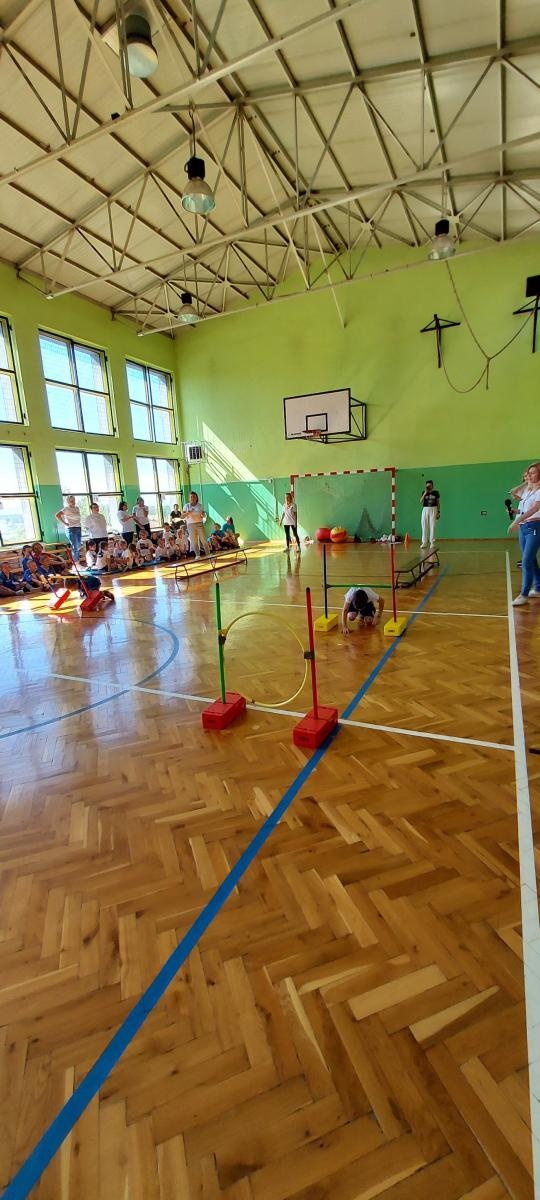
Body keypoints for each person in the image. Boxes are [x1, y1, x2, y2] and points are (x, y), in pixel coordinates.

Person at [508, 462, 540, 606]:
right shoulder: (528, 490)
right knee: (531, 560)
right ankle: (538, 588)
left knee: (526, 560)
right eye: (528, 473)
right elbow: (513, 492)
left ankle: (523, 594)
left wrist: (517, 520)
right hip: (524, 528)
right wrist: (525, 482)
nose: (528, 476)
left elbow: (535, 509)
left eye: (532, 473)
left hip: (535, 526)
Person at [55, 495, 82, 561]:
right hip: (71, 529)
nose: (73, 502)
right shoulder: (66, 509)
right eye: (71, 501)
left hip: (78, 528)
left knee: (78, 546)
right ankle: (76, 563)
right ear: (68, 502)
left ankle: (76, 561)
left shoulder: (77, 508)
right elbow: (57, 515)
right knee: (75, 547)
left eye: (74, 500)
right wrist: (65, 523)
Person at [183, 491, 209, 559]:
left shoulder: (200, 506)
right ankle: (197, 555)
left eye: (194, 496)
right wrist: (188, 512)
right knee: (194, 541)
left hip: (199, 524)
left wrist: (203, 515)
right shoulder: (186, 506)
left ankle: (208, 554)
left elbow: (203, 515)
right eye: (191, 497)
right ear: (189, 498)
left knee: (203, 539)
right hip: (190, 525)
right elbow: (182, 516)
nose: (192, 498)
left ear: (196, 497)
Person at [420, 480, 440, 549]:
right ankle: (424, 542)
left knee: (433, 525)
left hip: (433, 509)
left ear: (432, 486)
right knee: (424, 525)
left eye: (430, 485)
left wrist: (438, 512)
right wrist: (425, 493)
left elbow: (438, 503)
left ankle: (432, 542)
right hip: (425, 509)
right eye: (427, 486)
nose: (428, 487)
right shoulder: (424, 492)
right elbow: (420, 501)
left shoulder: (436, 493)